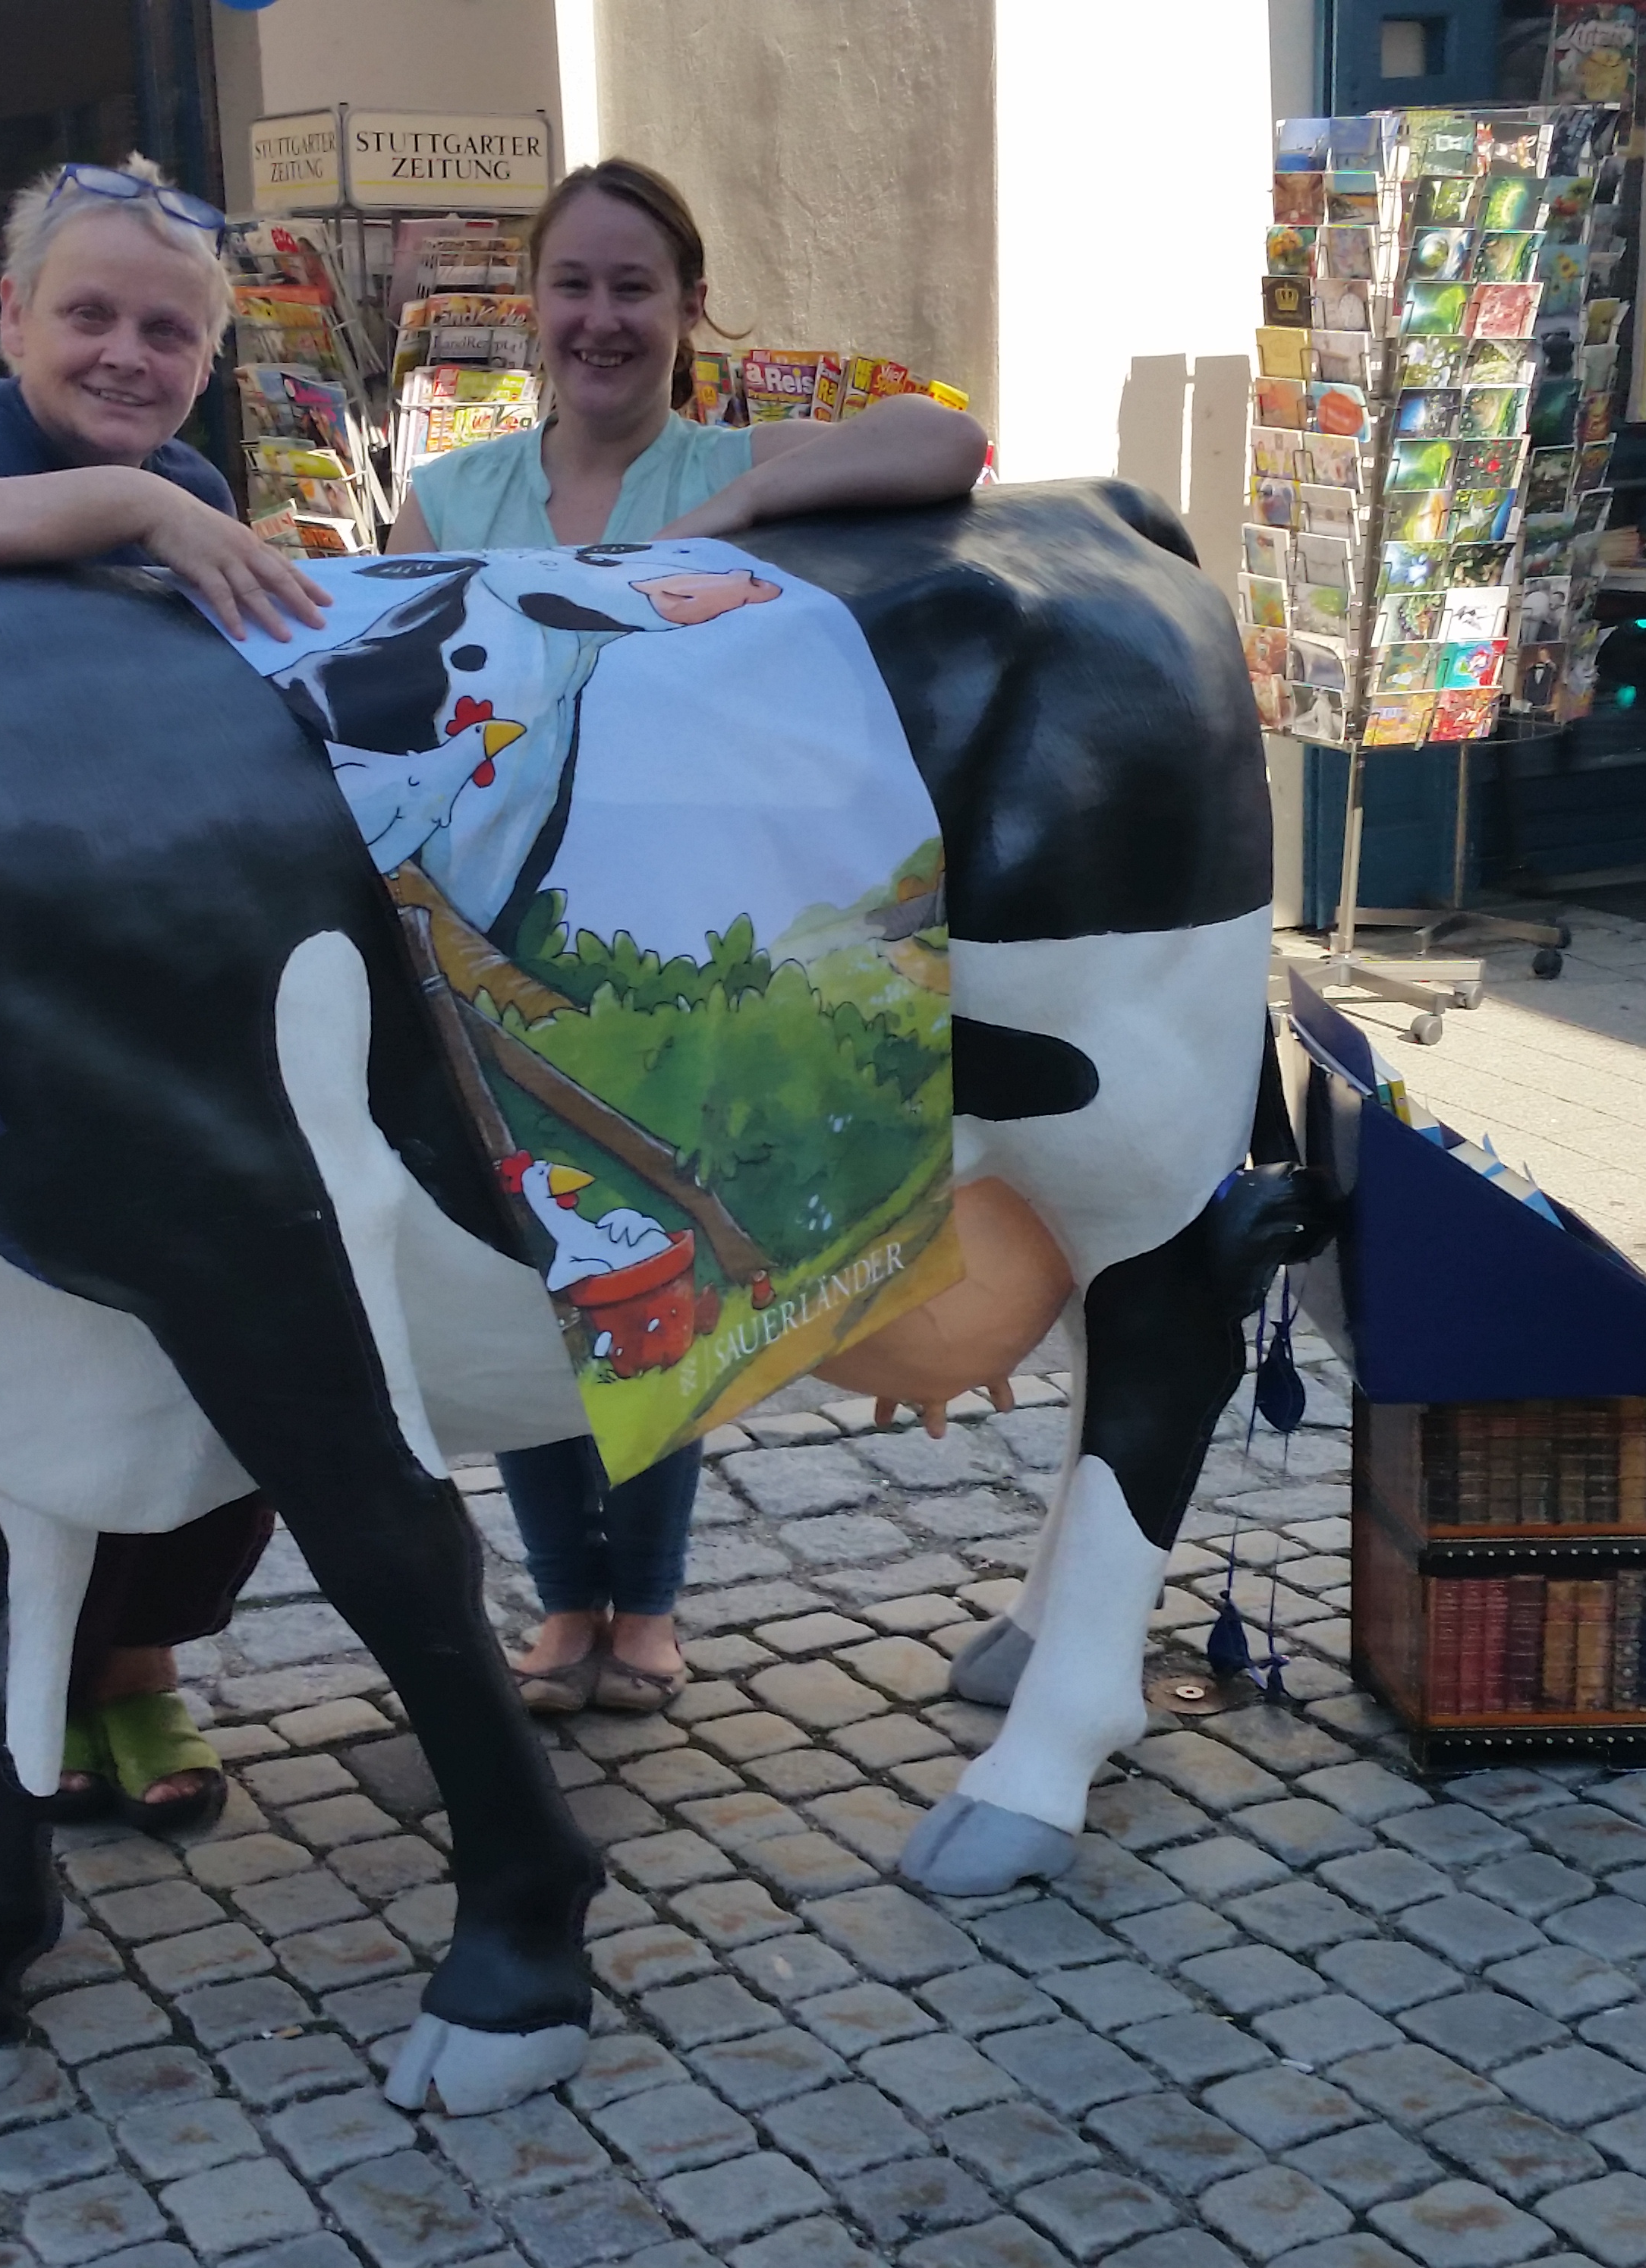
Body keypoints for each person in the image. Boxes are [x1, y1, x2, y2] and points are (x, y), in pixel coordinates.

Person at [389, 159, 987, 1715]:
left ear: (688, 308)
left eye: (633, 288)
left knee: (657, 1273)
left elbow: (949, 437)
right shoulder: (450, 499)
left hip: (676, 944)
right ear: (532, 306)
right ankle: (563, 1601)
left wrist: (735, 512)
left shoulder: (729, 459)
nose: (600, 319)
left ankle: (644, 1606)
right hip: (492, 945)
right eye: (573, 285)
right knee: (536, 1274)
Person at [0, 154, 322, 1832]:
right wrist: (131, 512)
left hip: (164, 994)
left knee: (211, 1366)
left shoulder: (190, 478)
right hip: (2, 1012)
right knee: (50, 1363)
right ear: (11, 319)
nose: (125, 353)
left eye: (167, 332)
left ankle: (142, 1670)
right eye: (89, 314)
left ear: (210, 357)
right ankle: (64, 1686)